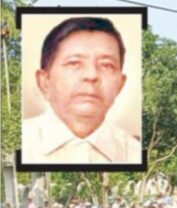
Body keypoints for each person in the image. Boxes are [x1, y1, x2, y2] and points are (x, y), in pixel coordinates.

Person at [22, 17, 140, 164]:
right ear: (44, 81)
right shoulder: (19, 142)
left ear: (120, 85)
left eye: (106, 65)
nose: (91, 75)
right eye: (74, 63)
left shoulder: (134, 153)